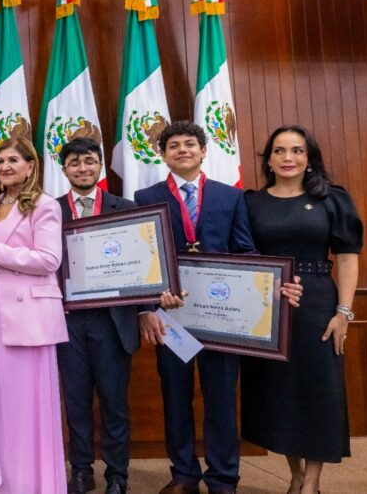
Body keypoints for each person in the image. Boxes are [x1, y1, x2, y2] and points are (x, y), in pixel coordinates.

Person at [134, 121, 257, 494]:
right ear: (164, 154)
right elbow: (144, 259)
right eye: (174, 145)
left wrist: (254, 293)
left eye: (190, 144)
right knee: (176, 396)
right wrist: (151, 304)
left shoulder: (230, 197)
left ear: (204, 151)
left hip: (221, 316)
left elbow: (245, 251)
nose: (182, 150)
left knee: (221, 398)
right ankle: (184, 473)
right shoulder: (146, 197)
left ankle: (223, 477)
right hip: (172, 318)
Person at [240, 125, 362, 494]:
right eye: (279, 151)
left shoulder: (332, 200)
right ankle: (294, 474)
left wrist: (344, 312)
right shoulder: (252, 202)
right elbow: (244, 255)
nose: (288, 158)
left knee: (318, 390)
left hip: (319, 303)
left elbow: (347, 259)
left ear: (309, 158)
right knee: (280, 393)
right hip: (270, 305)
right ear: (269, 159)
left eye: (296, 151)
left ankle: (311, 482)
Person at [0, 137, 67, 493]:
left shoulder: (43, 206)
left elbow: (48, 260)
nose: (6, 167)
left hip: (29, 322)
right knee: (0, 403)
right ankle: (6, 477)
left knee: (28, 407)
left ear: (31, 166)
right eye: (0, 161)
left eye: (14, 160)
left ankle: (33, 482)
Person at [55, 137, 137, 494]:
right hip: (67, 320)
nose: (82, 168)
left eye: (89, 161)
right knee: (76, 401)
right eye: (74, 162)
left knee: (114, 403)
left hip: (112, 321)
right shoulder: (49, 210)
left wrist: (148, 309)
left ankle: (117, 476)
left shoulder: (126, 207)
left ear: (100, 166)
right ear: (64, 170)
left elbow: (143, 267)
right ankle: (81, 470)